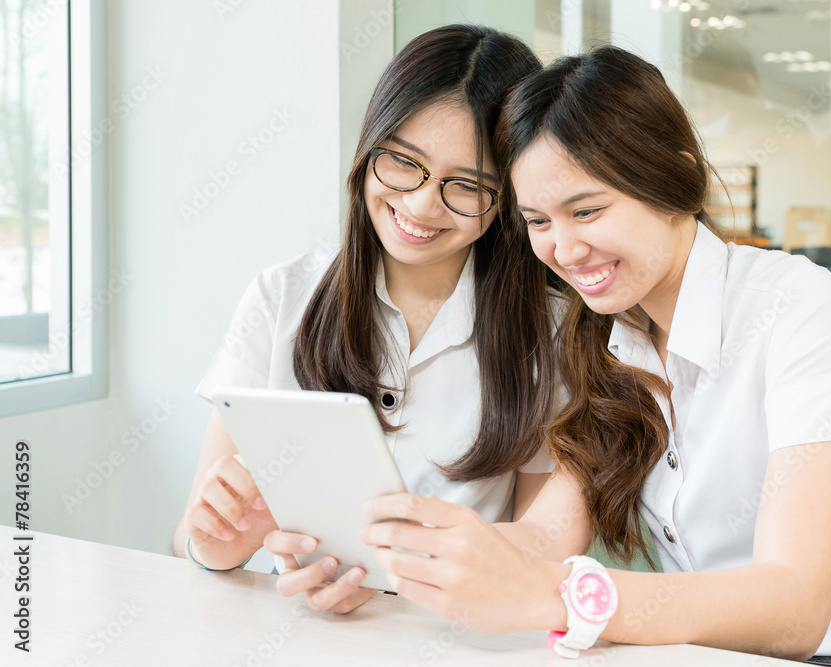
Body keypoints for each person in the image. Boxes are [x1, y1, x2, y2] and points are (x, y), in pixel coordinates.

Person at [359, 46, 831, 666]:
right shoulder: (604, 341)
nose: (564, 249)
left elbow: (793, 607)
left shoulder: (800, 309)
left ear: (675, 179)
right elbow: (545, 539)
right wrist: (381, 561)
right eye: (538, 221)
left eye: (588, 210)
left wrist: (563, 597)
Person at [171, 24, 562, 616]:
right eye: (405, 163)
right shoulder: (281, 298)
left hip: (459, 644)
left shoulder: (549, 328)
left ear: (506, 196)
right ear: (370, 146)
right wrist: (216, 543)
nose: (423, 204)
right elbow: (192, 542)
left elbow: (541, 557)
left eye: (468, 185)